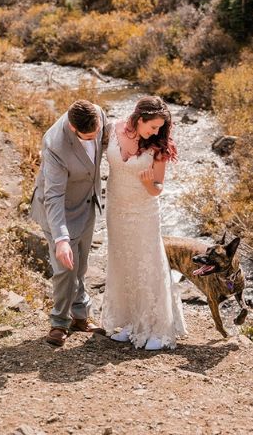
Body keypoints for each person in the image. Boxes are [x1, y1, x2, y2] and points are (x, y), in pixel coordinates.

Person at [100, 95, 186, 350]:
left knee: (148, 263)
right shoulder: (113, 129)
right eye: (152, 126)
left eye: (160, 128)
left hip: (144, 211)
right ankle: (130, 322)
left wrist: (149, 182)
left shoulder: (158, 146)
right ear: (138, 119)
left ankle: (157, 327)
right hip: (116, 207)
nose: (156, 131)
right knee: (122, 261)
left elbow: (158, 188)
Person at [29, 99, 108, 348]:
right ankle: (59, 322)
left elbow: (104, 143)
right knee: (65, 268)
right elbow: (53, 196)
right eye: (88, 136)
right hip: (60, 210)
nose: (94, 137)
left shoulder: (98, 114)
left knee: (81, 263)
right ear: (74, 129)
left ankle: (80, 317)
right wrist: (61, 239)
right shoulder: (55, 145)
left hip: (88, 201)